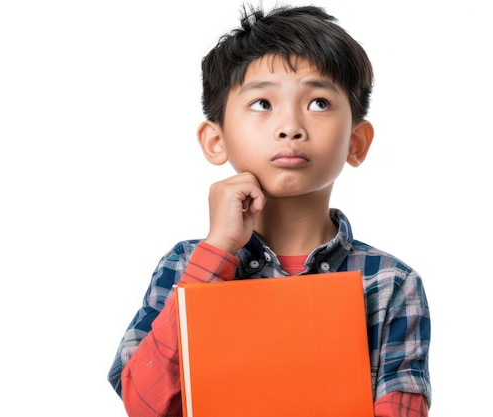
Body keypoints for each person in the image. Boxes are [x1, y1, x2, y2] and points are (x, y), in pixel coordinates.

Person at [107, 3, 431, 416]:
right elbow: (145, 404)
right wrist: (219, 250)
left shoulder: (390, 284)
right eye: (262, 103)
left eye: (318, 103)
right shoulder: (184, 265)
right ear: (214, 140)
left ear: (357, 142)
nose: (290, 126)